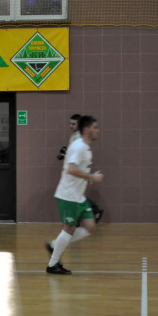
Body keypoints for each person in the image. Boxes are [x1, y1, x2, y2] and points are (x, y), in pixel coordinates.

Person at [46, 115, 104, 275]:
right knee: (69, 229)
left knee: (91, 226)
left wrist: (88, 178)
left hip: (78, 195)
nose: (98, 130)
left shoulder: (85, 147)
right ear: (87, 130)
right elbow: (71, 169)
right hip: (68, 195)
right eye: (95, 127)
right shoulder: (79, 146)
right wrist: (92, 177)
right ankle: (53, 264)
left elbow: (78, 169)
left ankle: (54, 244)